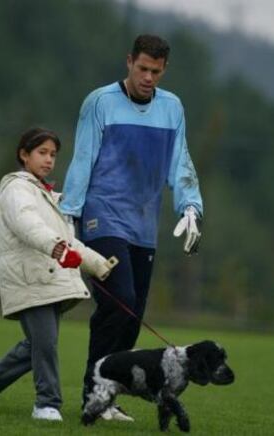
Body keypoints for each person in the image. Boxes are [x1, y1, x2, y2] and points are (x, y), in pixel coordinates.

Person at [60, 34, 203, 422]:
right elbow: (83, 158)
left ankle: (109, 396)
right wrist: (69, 215)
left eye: (156, 71)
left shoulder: (172, 108)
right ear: (129, 62)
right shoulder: (100, 102)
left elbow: (181, 163)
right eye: (142, 68)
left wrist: (191, 206)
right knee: (118, 297)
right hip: (101, 215)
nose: (148, 77)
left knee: (132, 312)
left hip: (143, 224)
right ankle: (94, 393)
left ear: (164, 70)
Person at [0, 127, 117, 421]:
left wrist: (98, 265)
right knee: (46, 343)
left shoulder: (49, 195)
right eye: (42, 153)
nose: (49, 160)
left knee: (39, 344)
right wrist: (58, 249)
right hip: (28, 278)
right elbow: (28, 226)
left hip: (50, 278)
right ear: (23, 155)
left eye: (53, 154)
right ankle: (46, 404)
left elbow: (69, 239)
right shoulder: (15, 189)